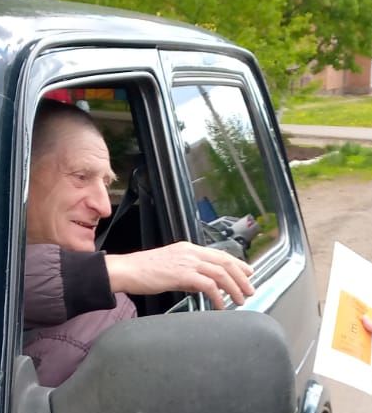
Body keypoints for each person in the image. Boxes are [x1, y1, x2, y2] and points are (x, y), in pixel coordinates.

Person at [22, 100, 254, 386]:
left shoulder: (105, 318)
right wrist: (117, 270)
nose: (105, 207)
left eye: (107, 183)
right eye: (81, 177)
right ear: (17, 175)